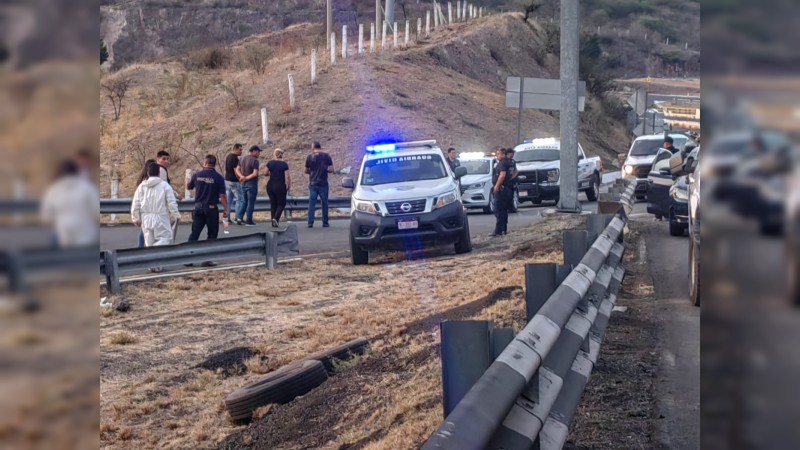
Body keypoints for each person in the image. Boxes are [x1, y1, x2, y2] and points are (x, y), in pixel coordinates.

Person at [131, 162, 181, 271]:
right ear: (159, 173)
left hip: (146, 218)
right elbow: (171, 203)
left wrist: (135, 217)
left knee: (149, 242)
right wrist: (176, 215)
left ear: (148, 173)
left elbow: (136, 203)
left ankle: (152, 266)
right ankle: (156, 264)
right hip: (161, 217)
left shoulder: (142, 186)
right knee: (165, 239)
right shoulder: (164, 186)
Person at [40, 159, 100, 248]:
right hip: (85, 231)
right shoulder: (87, 187)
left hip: (63, 233)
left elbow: (46, 217)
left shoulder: (53, 189)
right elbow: (96, 211)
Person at [186, 155, 228, 250]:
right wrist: (226, 209)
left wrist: (186, 181)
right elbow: (223, 195)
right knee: (212, 234)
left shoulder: (197, 175)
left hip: (198, 208)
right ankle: (207, 258)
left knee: (195, 233)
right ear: (215, 164)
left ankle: (188, 257)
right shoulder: (219, 178)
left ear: (205, 163)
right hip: (211, 208)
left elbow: (188, 187)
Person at [305, 141, 334, 228]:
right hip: (323, 183)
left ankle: (310, 222)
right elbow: (332, 169)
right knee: (325, 203)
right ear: (320, 147)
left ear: (312, 148)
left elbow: (306, 170)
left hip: (313, 183)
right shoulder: (326, 156)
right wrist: (325, 170)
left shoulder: (309, 157)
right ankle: (325, 222)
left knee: (312, 204)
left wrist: (312, 172)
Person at [265, 148, 291, 228]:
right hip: (280, 185)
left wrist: (272, 174)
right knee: (282, 203)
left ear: (274, 154)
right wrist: (288, 186)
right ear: (281, 155)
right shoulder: (284, 164)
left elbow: (265, 173)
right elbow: (287, 177)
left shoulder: (270, 163)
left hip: (270, 185)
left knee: (273, 203)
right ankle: (276, 218)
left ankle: (273, 221)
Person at [236, 145, 262, 226]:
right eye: (258, 152)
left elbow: (237, 169)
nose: (259, 154)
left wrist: (241, 177)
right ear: (254, 151)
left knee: (244, 201)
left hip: (243, 184)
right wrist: (246, 178)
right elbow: (255, 174)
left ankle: (239, 217)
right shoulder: (255, 161)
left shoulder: (242, 158)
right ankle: (249, 220)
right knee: (250, 203)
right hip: (251, 184)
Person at [491, 148, 514, 237]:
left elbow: (502, 175)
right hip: (507, 188)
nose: (497, 155)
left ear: (503, 155)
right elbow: (514, 173)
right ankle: (504, 229)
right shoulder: (510, 163)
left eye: (498, 154)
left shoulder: (503, 163)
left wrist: (497, 186)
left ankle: (498, 230)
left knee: (497, 209)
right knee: (503, 210)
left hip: (501, 189)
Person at [135, 159, 157, 248]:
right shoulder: (147, 180)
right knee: (145, 230)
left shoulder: (141, 178)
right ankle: (141, 248)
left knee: (144, 229)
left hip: (143, 206)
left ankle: (141, 247)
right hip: (148, 207)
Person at [224, 143, 243, 223]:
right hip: (234, 181)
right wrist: (240, 178)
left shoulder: (228, 156)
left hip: (227, 181)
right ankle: (238, 217)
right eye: (240, 149)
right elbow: (236, 171)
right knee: (240, 199)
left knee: (229, 200)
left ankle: (226, 218)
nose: (241, 151)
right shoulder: (235, 158)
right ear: (235, 148)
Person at [505, 148, 519, 213]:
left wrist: (513, 177)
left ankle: (512, 208)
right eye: (512, 153)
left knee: (512, 195)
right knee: (507, 196)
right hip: (505, 182)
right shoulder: (504, 161)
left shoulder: (513, 161)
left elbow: (516, 170)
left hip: (512, 181)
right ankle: (507, 208)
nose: (513, 154)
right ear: (508, 153)